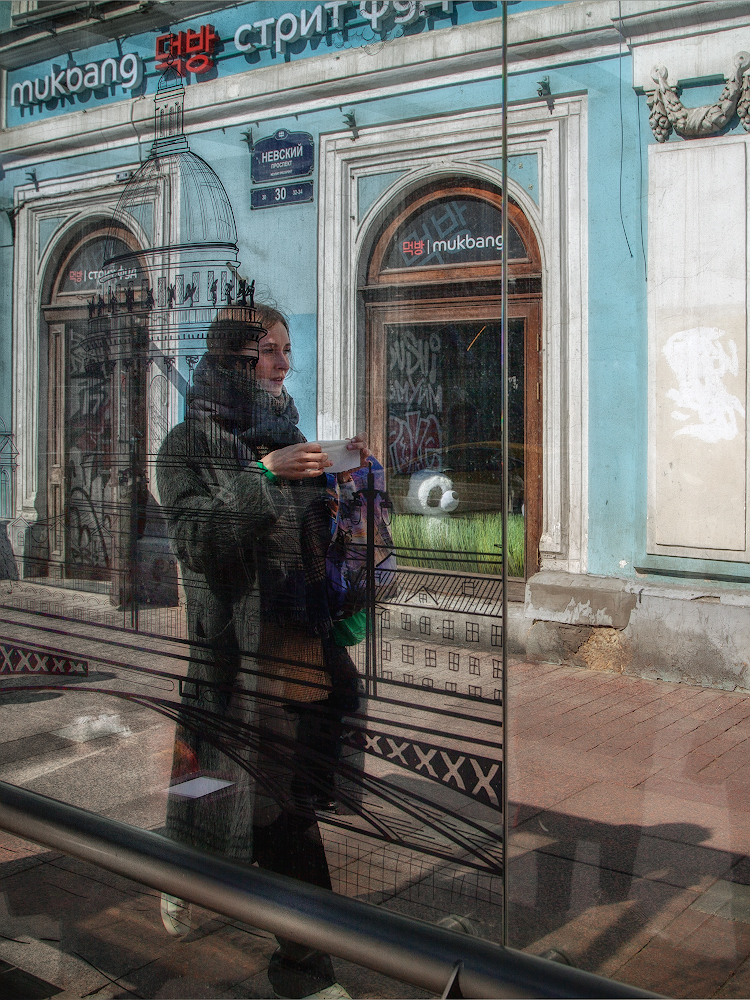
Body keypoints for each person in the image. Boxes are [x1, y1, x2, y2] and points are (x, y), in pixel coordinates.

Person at [156, 305, 365, 1000]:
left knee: (264, 806)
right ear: (227, 361)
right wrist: (265, 477)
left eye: (284, 350)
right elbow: (199, 543)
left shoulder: (291, 435)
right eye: (266, 352)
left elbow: (313, 550)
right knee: (271, 816)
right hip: (237, 663)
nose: (282, 363)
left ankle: (192, 875)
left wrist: (341, 484)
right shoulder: (187, 443)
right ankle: (305, 972)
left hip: (301, 660)